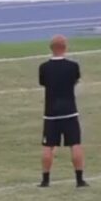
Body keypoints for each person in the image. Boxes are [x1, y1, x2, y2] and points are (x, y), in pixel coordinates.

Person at [38, 35, 88, 188]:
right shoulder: (73, 66)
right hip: (70, 111)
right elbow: (75, 81)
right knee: (75, 144)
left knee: (48, 146)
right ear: (65, 47)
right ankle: (79, 179)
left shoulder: (44, 67)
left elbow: (43, 83)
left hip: (51, 112)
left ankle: (45, 180)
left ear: (51, 48)